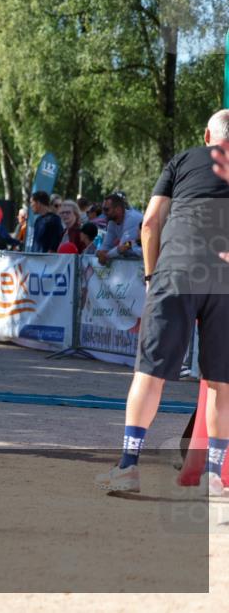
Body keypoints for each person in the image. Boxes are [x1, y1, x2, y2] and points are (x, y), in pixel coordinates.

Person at [96, 109, 229, 496]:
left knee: (149, 374)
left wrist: (153, 278)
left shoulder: (183, 160)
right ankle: (218, 479)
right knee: (221, 384)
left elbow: (150, 222)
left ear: (207, 135)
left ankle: (128, 466)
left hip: (178, 268)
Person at [96, 193, 143, 265]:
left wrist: (106, 256)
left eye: (106, 209)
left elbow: (122, 248)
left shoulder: (132, 218)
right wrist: (100, 253)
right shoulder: (112, 223)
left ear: (118, 209)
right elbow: (107, 246)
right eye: (103, 209)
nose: (103, 213)